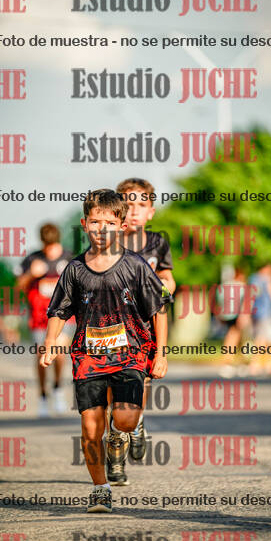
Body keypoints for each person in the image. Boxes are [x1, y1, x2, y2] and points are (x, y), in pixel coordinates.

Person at [40, 189, 171, 512]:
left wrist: (161, 354)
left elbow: (159, 310)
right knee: (89, 429)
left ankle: (118, 434)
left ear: (122, 226)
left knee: (125, 420)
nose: (102, 229)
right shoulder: (74, 269)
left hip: (131, 354)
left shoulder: (136, 266)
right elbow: (59, 310)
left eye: (110, 223)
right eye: (95, 222)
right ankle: (100, 488)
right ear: (84, 224)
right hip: (88, 357)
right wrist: (50, 342)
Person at [104, 178, 175, 486]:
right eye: (127, 204)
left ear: (151, 212)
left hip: (144, 327)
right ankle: (116, 452)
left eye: (141, 205)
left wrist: (165, 286)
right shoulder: (107, 241)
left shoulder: (157, 243)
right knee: (112, 392)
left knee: (138, 384)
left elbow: (168, 277)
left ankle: (137, 420)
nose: (134, 211)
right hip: (111, 326)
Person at [16, 223, 73, 417]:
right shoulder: (32, 259)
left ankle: (57, 387)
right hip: (39, 317)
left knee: (59, 350)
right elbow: (19, 286)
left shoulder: (69, 258)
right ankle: (42, 395)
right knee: (42, 355)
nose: (50, 251)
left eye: (53, 246)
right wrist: (31, 274)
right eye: (47, 247)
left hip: (64, 315)